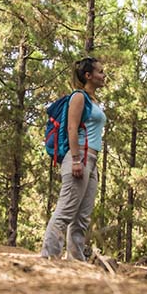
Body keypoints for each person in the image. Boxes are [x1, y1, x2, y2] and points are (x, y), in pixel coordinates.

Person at [41, 56, 107, 261]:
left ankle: (76, 261)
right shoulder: (78, 97)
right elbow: (71, 127)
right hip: (79, 157)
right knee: (66, 209)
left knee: (83, 216)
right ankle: (49, 257)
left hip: (92, 160)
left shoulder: (93, 100)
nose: (104, 75)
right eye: (100, 71)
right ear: (88, 76)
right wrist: (77, 160)